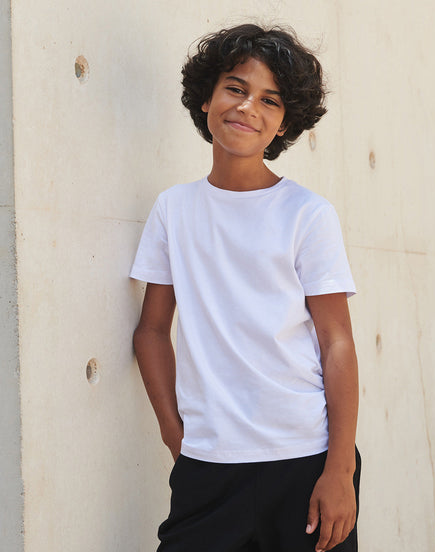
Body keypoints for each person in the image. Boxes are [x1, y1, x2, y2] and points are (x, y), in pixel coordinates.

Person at [130, 23, 361, 552]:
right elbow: (151, 332)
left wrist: (339, 470)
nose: (247, 107)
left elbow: (337, 342)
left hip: (305, 459)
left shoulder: (307, 214)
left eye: (269, 100)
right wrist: (174, 435)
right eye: (235, 88)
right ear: (206, 98)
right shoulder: (174, 209)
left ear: (284, 124)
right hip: (208, 464)